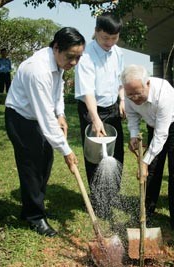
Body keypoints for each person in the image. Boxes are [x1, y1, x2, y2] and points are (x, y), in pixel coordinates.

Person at [5, 27, 85, 237]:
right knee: (31, 166)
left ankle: (32, 207)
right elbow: (44, 117)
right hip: (21, 118)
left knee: (45, 162)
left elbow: (56, 92)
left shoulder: (58, 64)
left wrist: (61, 114)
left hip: (40, 117)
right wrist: (67, 151)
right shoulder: (37, 70)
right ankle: (35, 217)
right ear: (56, 48)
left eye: (78, 57)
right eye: (71, 57)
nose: (74, 63)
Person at [121, 64, 174, 231]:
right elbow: (131, 115)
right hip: (154, 124)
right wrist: (133, 135)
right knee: (153, 169)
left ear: (148, 84)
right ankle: (147, 211)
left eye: (138, 93)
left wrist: (144, 161)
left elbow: (161, 135)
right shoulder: (129, 93)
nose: (134, 98)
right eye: (130, 95)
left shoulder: (162, 92)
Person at [74, 12, 125, 218]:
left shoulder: (118, 53)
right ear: (96, 32)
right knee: (96, 155)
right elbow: (87, 91)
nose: (110, 43)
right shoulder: (85, 56)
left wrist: (122, 100)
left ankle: (112, 194)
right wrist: (95, 119)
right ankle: (99, 201)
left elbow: (120, 80)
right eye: (105, 38)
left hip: (112, 107)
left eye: (114, 38)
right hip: (91, 108)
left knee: (116, 153)